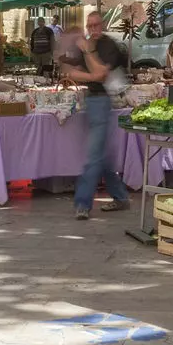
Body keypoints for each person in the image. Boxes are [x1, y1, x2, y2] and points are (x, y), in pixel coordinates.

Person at [61, 11, 130, 218]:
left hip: (102, 101)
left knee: (93, 155)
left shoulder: (109, 45)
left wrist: (89, 53)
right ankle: (120, 197)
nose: (93, 29)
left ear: (102, 24)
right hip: (90, 100)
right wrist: (90, 74)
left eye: (96, 25)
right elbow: (70, 73)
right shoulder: (84, 44)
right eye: (89, 26)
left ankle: (82, 203)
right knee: (102, 154)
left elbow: (102, 74)